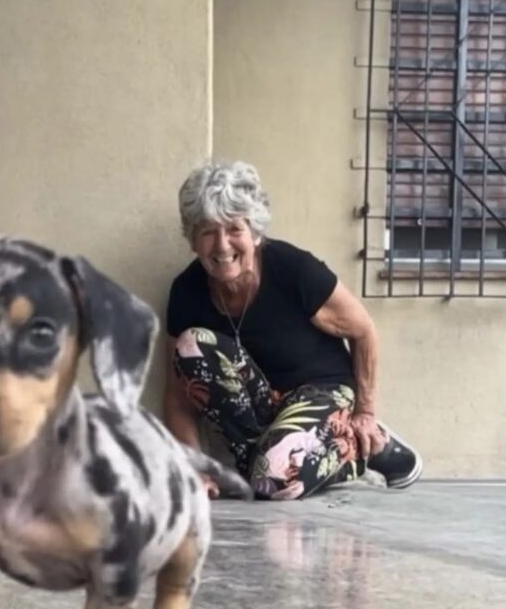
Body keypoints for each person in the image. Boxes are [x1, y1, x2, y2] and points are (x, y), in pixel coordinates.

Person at [163, 160, 422, 500]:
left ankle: (357, 444)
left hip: (320, 390)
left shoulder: (293, 269)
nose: (222, 246)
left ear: (255, 233)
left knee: (273, 481)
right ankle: (271, 461)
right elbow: (179, 396)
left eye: (234, 229)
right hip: (262, 410)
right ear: (193, 240)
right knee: (190, 345)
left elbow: (363, 331)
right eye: (208, 232)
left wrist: (366, 412)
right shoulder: (186, 291)